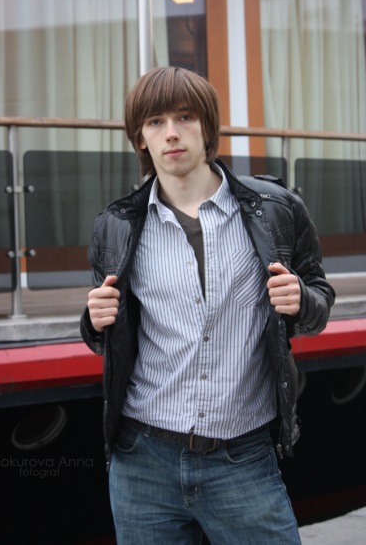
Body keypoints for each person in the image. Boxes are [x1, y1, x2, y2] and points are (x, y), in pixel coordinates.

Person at [80, 66, 335, 544]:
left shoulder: (276, 209)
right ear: (140, 137)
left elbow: (320, 299)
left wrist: (302, 299)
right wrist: (93, 322)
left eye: (185, 117)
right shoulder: (116, 225)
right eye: (155, 122)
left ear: (208, 126)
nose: (171, 133)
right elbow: (105, 332)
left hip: (243, 459)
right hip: (142, 462)